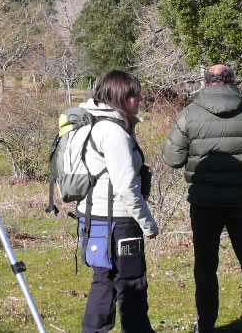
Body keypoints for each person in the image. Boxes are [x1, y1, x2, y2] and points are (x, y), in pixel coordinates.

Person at [163, 64, 242, 332]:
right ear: (232, 82)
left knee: (205, 267)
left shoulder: (189, 114)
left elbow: (173, 158)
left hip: (204, 202)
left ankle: (206, 324)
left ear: (206, 82)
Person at [76, 70, 159, 333]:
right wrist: (148, 223)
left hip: (92, 216)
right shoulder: (112, 132)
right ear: (120, 97)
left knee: (104, 280)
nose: (139, 98)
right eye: (134, 94)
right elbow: (125, 186)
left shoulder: (91, 123)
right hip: (119, 221)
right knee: (132, 284)